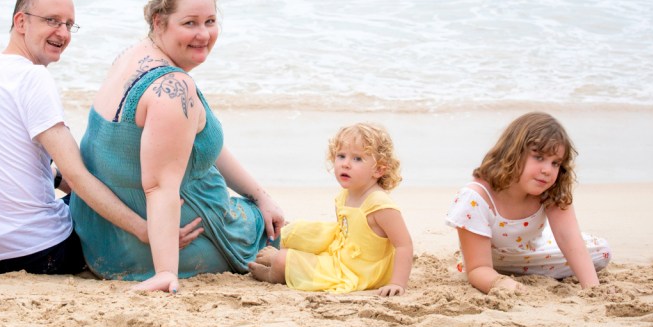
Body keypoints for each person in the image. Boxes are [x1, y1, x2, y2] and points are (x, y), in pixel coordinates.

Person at [0, 0, 194, 275]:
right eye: (51, 20)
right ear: (21, 22)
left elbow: (20, 164)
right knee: (130, 200)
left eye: (69, 25)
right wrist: (143, 229)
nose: (62, 33)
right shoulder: (33, 78)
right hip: (33, 252)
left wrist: (61, 182)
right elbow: (78, 178)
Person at [70, 0, 285, 293]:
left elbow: (196, 145)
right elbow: (159, 187)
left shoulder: (130, 56)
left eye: (210, 21)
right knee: (272, 232)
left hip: (100, 235)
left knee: (267, 212)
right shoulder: (173, 90)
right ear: (160, 22)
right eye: (190, 23)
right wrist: (165, 271)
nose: (203, 34)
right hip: (150, 248)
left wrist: (261, 195)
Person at [446, 112, 611, 294]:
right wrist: (500, 283)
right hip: (487, 261)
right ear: (512, 153)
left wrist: (592, 289)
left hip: (534, 254)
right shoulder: (477, 197)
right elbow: (477, 268)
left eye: (555, 163)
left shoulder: (550, 190)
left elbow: (569, 238)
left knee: (602, 251)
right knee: (481, 273)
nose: (547, 170)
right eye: (539, 157)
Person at [247, 123, 413, 295]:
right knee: (296, 230)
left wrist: (397, 283)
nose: (345, 164)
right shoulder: (345, 195)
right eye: (341, 156)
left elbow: (404, 245)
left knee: (283, 259)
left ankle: (272, 272)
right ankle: (282, 253)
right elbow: (343, 233)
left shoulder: (380, 205)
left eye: (357, 159)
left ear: (378, 169)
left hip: (358, 271)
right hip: (341, 252)